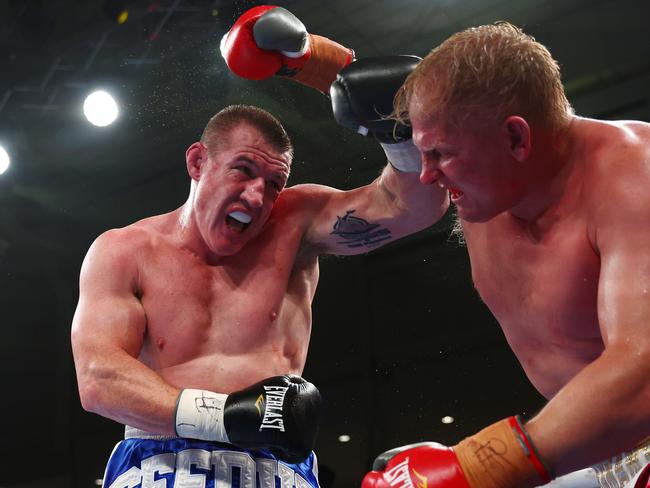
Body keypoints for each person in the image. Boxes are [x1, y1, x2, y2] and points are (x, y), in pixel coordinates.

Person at [70, 8, 448, 488]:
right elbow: (99, 379)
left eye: (274, 182)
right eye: (243, 170)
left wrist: (394, 130)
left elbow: (412, 207)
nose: (257, 196)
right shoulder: (123, 250)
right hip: (159, 463)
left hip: (275, 467)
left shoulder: (295, 224)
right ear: (197, 161)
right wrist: (223, 416)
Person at [357, 21, 650, 488]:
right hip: (593, 451)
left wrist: (471, 466)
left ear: (516, 138)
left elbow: (644, 370)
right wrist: (309, 61)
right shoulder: (482, 187)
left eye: (440, 155)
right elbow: (386, 125)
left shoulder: (634, 176)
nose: (427, 177)